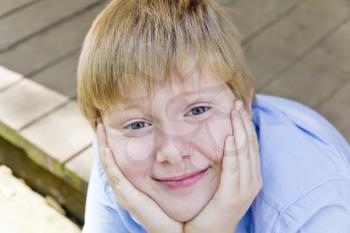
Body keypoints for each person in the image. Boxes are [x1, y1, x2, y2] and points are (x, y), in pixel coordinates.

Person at [77, 0, 350, 232]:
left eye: (197, 110)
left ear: (244, 103)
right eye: (138, 124)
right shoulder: (118, 162)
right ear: (102, 131)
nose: (172, 152)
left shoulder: (311, 207)